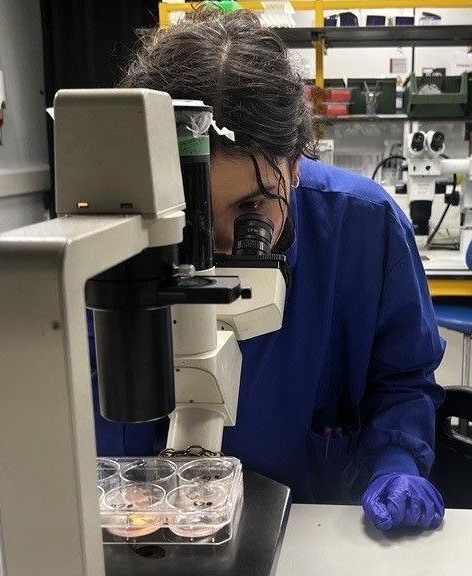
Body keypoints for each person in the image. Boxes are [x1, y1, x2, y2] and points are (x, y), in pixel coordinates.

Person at [89, 9, 447, 532]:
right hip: (153, 517)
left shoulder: (363, 226)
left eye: (253, 207)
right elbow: (91, 378)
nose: (223, 246)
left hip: (314, 521)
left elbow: (402, 379)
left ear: (296, 160)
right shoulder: (116, 232)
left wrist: (396, 460)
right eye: (191, 217)